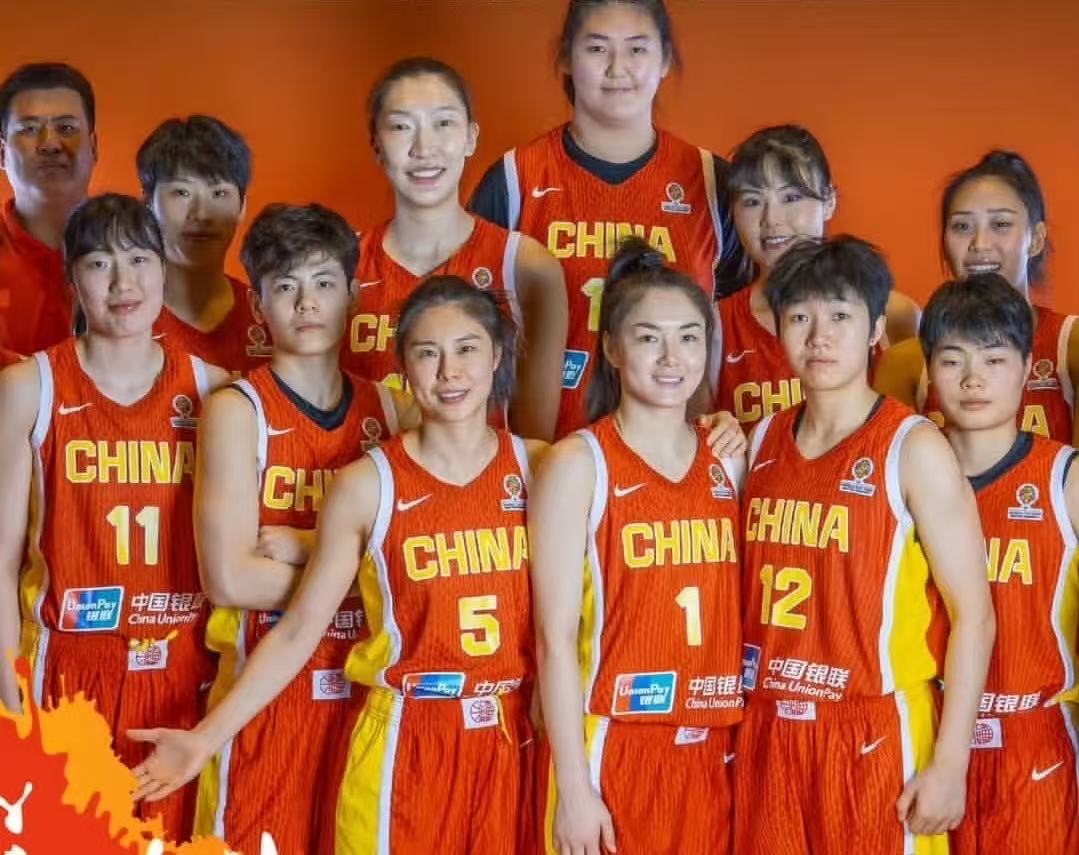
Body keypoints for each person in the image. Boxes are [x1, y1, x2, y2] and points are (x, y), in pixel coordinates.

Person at [128, 276, 542, 854]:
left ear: (496, 354)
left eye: (467, 349)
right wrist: (205, 738)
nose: (449, 372)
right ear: (403, 368)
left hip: (506, 737)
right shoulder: (366, 485)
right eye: (427, 353)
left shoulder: (542, 469)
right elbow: (300, 628)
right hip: (403, 740)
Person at [734, 237, 995, 854]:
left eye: (840, 315)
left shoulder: (913, 447)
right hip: (769, 727)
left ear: (876, 328)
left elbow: (976, 616)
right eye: (800, 317)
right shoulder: (760, 439)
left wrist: (950, 764)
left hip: (874, 730)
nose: (819, 336)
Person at [0, 194, 229, 839]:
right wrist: (8, 689)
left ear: (164, 269)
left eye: (139, 260)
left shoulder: (216, 390)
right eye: (99, 263)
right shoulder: (29, 388)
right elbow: (1, 559)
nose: (123, 282)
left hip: (184, 672)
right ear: (72, 278)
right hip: (63, 668)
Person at [192, 203, 414, 853]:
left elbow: (421, 558)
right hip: (265, 698)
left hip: (366, 700)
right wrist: (362, 572)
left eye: (322, 282)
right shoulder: (237, 409)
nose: (306, 302)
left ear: (352, 294)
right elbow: (231, 579)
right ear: (258, 304)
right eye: (285, 286)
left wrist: (309, 546)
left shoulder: (393, 408)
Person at [530, 237, 745, 854]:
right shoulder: (578, 463)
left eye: (689, 337)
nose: (671, 357)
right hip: (611, 740)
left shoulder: (730, 458)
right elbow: (552, 639)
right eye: (649, 337)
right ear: (612, 348)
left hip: (714, 743)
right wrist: (574, 790)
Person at [469, 0, 746, 438]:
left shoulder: (713, 182)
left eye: (637, 49)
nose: (618, 69)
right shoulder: (514, 179)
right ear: (565, 57)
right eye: (597, 48)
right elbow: (467, 328)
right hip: (540, 453)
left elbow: (747, 329)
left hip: (675, 458)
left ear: (665, 59)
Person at [919, 275, 1079, 855]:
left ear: (1027, 368)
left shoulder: (1066, 479)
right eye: (952, 360)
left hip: (1035, 740)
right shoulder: (903, 471)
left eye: (993, 358)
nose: (972, 378)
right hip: (927, 739)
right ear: (928, 371)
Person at [348, 57, 566, 440]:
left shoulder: (526, 267)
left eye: (443, 123)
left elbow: (534, 445)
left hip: (486, 479)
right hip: (365, 474)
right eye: (401, 127)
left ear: (471, 137)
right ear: (377, 146)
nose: (424, 148)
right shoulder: (341, 267)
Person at [714, 124, 921, 430]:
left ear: (829, 201)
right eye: (752, 201)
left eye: (791, 197)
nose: (771, 219)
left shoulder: (895, 314)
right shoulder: (715, 325)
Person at [875, 151, 1079, 444]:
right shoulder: (905, 363)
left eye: (1001, 224)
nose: (979, 244)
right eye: (962, 226)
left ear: (1036, 239)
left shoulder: (1069, 346)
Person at [138, 115, 271, 371]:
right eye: (182, 192)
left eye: (219, 193)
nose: (201, 214)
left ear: (242, 206)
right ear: (147, 203)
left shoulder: (270, 317)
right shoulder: (120, 316)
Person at [0, 62, 96, 356]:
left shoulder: (143, 251)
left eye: (66, 128)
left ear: (94, 147)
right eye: (29, 129)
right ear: (2, 153)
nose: (50, 144)